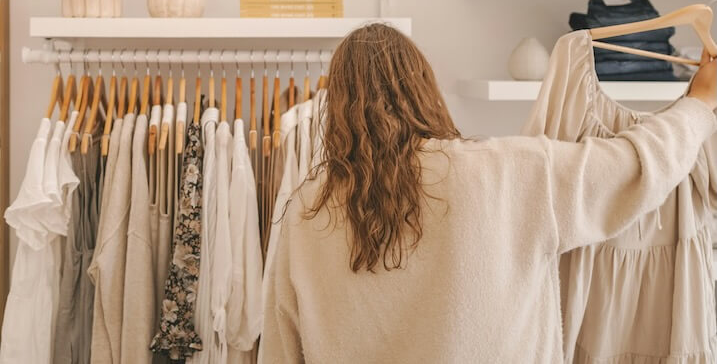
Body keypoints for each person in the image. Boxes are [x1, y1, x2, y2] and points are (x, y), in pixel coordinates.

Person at [260, 23, 717, 363]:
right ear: (425, 88)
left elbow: (280, 351)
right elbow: (635, 166)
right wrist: (699, 104)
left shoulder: (306, 208)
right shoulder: (508, 172)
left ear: (336, 105)